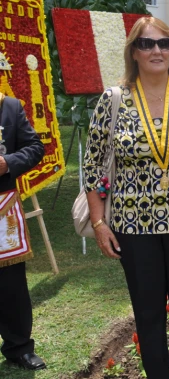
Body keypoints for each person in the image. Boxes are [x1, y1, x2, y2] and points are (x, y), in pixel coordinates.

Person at [84, 16, 169, 379]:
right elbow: (93, 167)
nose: (156, 50)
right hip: (133, 226)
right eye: (147, 44)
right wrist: (99, 223)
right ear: (134, 51)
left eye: (164, 43)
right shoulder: (113, 100)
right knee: (148, 313)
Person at [0, 94, 45, 370]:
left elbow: (34, 147)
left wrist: (7, 162)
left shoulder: (9, 107)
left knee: (11, 285)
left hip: (2, 210)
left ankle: (18, 347)